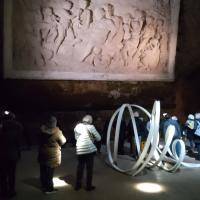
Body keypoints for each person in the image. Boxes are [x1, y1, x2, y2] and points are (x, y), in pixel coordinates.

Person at [38, 116, 66, 194]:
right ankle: (49, 189)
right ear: (55, 122)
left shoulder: (41, 130)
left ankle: (43, 186)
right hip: (52, 156)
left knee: (43, 170)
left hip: (42, 153)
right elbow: (63, 141)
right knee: (49, 173)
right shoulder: (57, 132)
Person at [74, 115, 101, 191]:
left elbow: (76, 138)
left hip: (80, 150)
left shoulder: (77, 127)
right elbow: (99, 138)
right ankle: (88, 186)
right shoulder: (91, 127)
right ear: (90, 121)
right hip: (89, 150)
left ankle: (78, 185)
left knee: (80, 168)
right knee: (89, 169)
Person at [0, 111, 23, 198]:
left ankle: (4, 191)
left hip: (2, 155)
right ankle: (11, 191)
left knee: (2, 175)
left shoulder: (2, 127)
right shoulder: (17, 127)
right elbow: (19, 142)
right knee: (11, 174)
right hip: (13, 155)